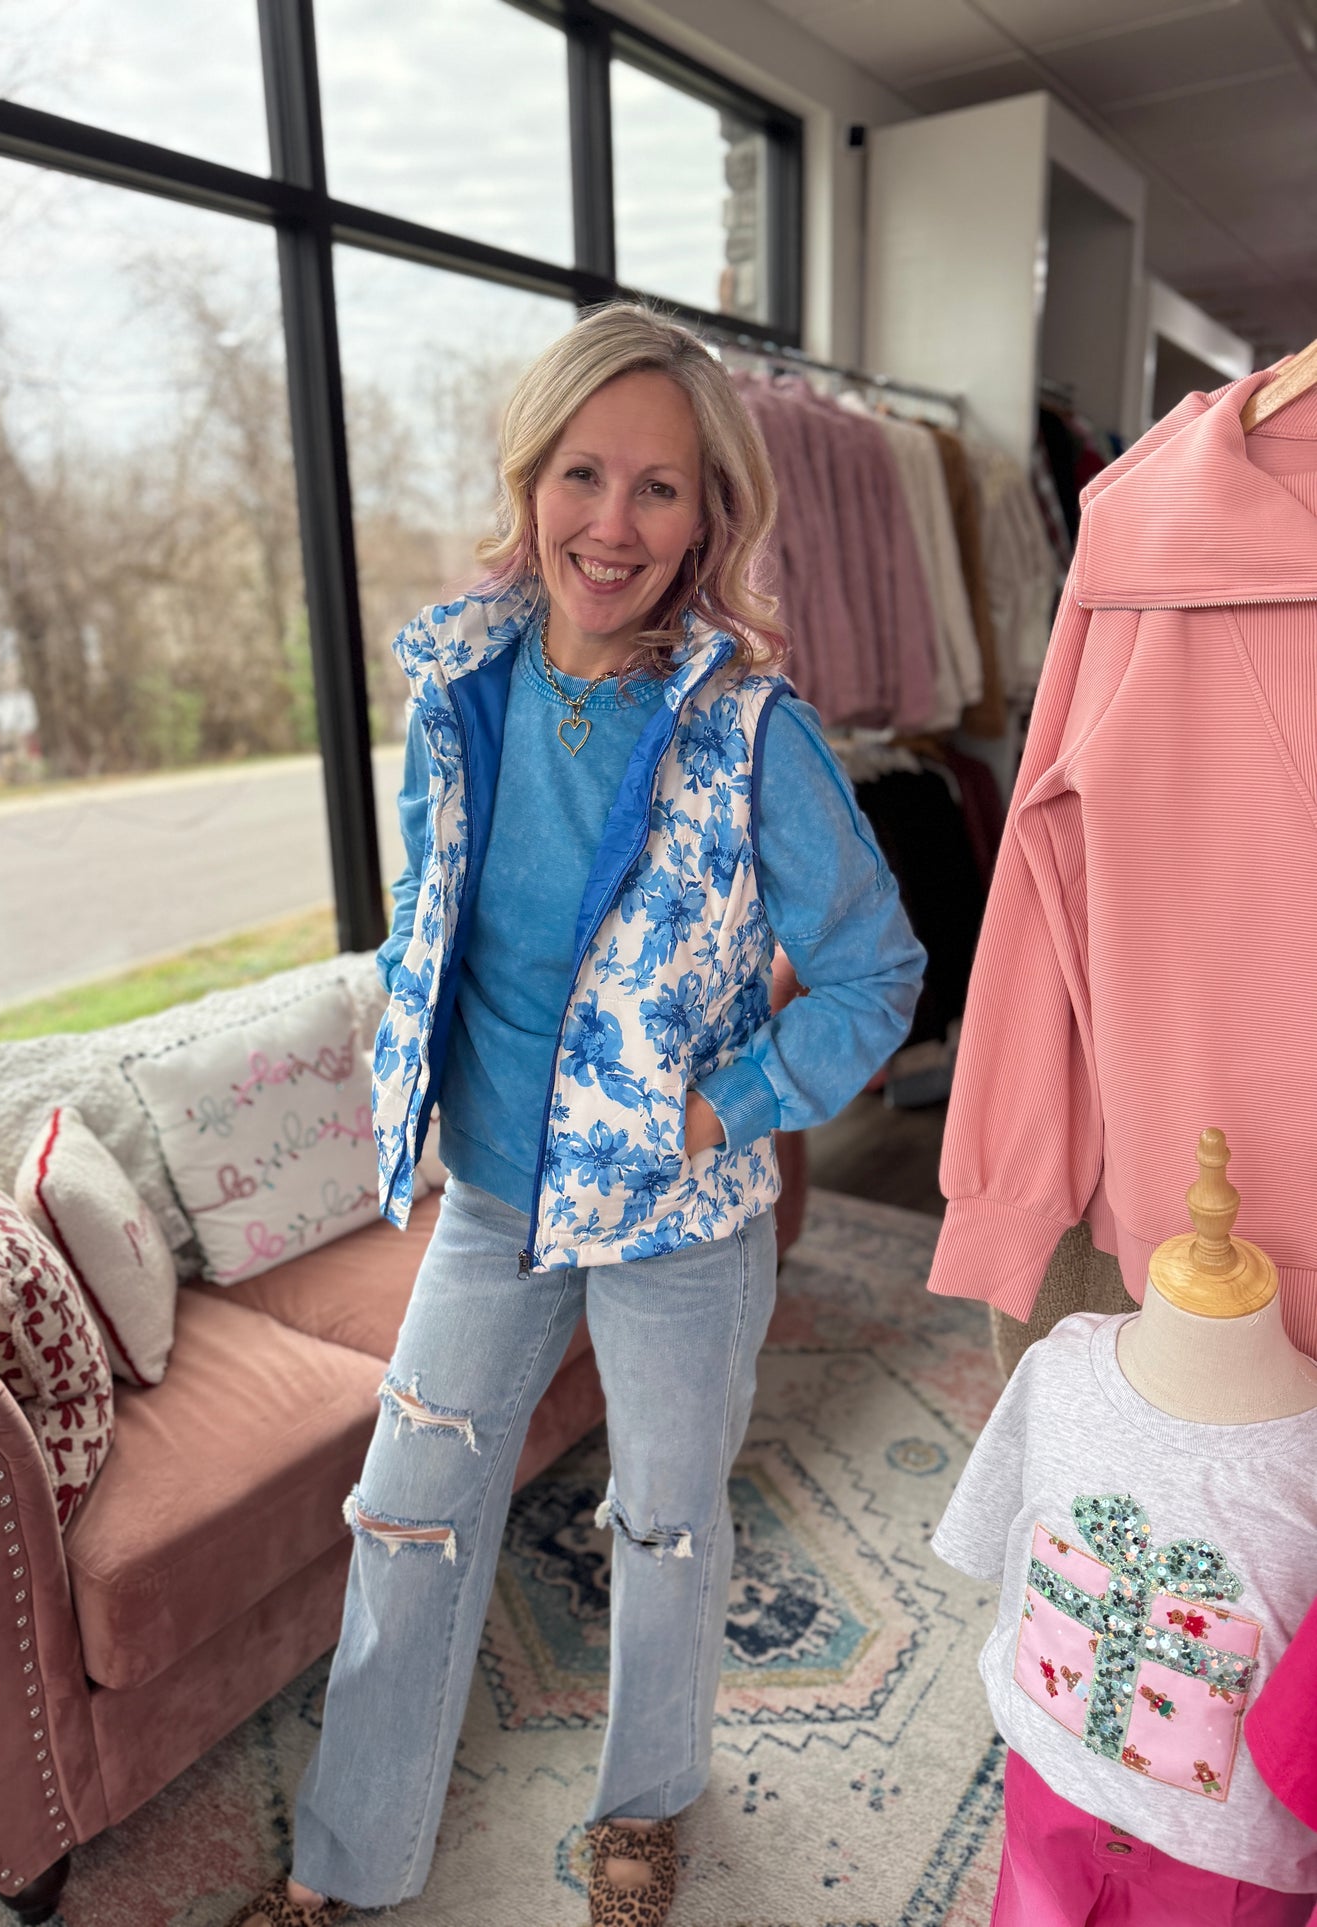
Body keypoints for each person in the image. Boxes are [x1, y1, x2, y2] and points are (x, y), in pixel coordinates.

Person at [228, 301, 924, 1927]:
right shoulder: (457, 681)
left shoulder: (751, 732)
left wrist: (719, 1113)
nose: (613, 524)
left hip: (677, 1218)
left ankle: (644, 1807)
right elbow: (432, 900)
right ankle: (344, 1867)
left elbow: (874, 973)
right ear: (530, 477)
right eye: (584, 474)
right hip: (490, 1197)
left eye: (659, 488)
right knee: (405, 1515)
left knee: (665, 1526)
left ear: (709, 515)